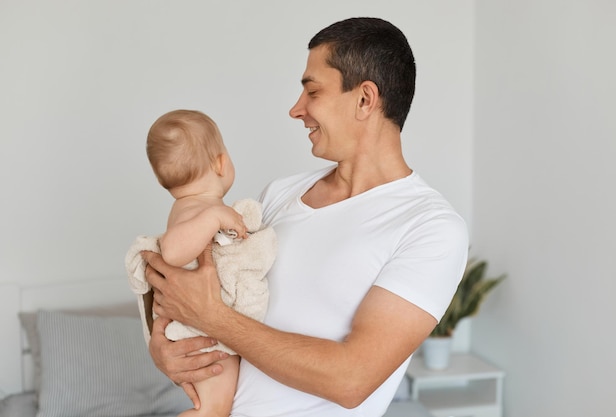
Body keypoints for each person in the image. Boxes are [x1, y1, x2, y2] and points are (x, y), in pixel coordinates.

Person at [142, 17, 468, 417]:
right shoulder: (280, 195)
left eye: (312, 92)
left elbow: (351, 380)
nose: (297, 110)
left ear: (365, 99)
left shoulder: (430, 227)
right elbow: (209, 298)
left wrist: (213, 318)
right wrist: (166, 350)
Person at [125, 109, 276, 417]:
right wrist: (215, 216)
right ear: (221, 162)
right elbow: (172, 251)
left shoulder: (195, 207)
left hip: (207, 329)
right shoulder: (191, 209)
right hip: (200, 335)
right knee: (212, 411)